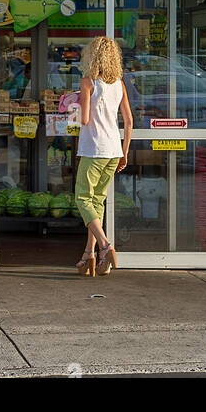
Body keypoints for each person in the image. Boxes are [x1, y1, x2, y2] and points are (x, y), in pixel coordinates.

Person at [74, 37, 132, 276]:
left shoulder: (88, 82)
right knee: (97, 202)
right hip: (113, 150)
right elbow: (128, 121)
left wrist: (73, 105)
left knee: (82, 198)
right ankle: (90, 254)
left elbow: (84, 119)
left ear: (92, 57)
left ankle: (106, 246)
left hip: (94, 149)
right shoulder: (119, 83)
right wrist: (125, 152)